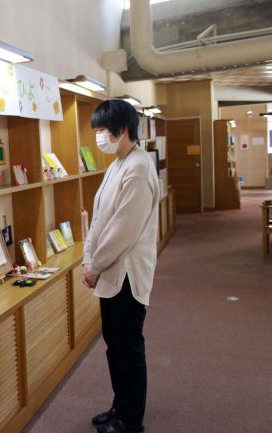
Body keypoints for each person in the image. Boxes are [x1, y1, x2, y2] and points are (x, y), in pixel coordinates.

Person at [82, 99, 160, 433]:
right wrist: (89, 258)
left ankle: (131, 420)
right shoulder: (118, 163)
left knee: (128, 347)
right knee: (115, 346)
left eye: (102, 130)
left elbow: (121, 230)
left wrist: (95, 265)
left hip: (126, 274)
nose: (99, 136)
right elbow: (99, 218)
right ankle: (120, 406)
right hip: (110, 271)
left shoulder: (139, 167)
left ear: (122, 129)